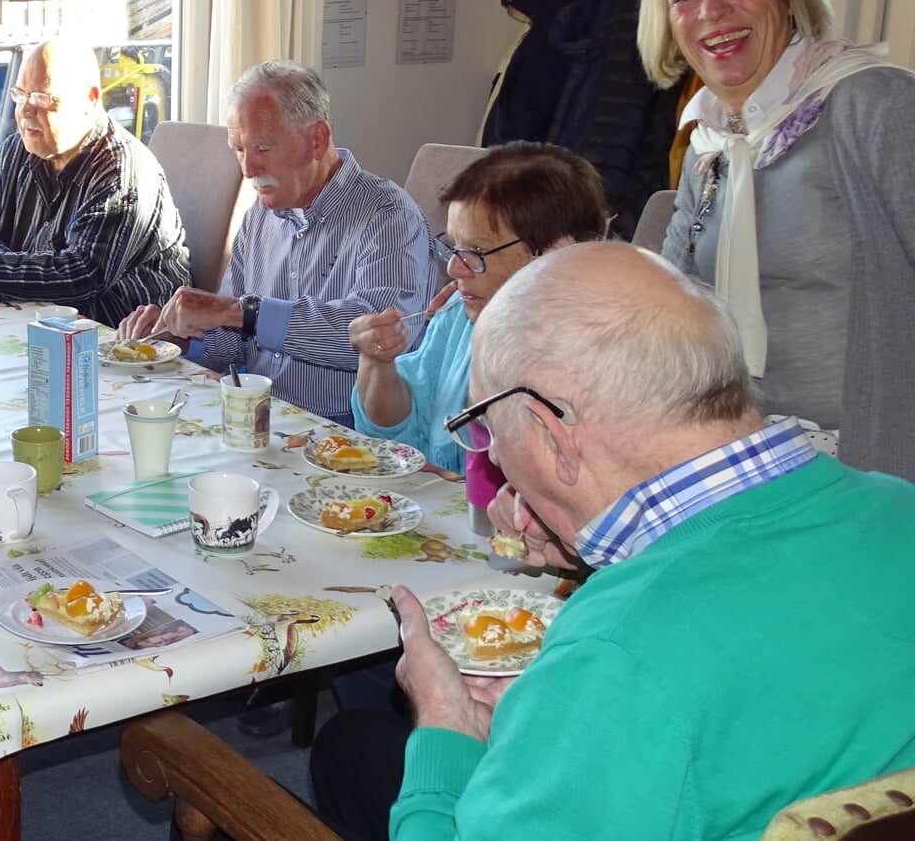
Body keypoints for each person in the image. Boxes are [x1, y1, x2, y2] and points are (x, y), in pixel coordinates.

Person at [309, 242, 915, 841]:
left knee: (350, 751)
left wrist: (446, 726)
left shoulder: (619, 653)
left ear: (551, 431)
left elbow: (658, 658)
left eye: (487, 429)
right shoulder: (897, 503)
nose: (491, 455)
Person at [640, 0, 915, 479]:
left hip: (869, 463)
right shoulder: (709, 140)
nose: (713, 12)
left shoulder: (873, 104)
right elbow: (671, 298)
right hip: (738, 452)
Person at [118, 59, 436, 425]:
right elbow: (236, 341)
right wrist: (183, 336)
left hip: (342, 434)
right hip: (259, 419)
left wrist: (241, 311)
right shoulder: (261, 213)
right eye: (238, 149)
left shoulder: (387, 216)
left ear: (317, 140)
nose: (247, 169)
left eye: (263, 148)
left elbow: (378, 340)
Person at [348, 142, 608, 476]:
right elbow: (403, 431)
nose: (455, 269)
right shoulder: (460, 311)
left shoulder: (594, 357)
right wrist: (377, 363)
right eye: (454, 246)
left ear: (554, 254)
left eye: (477, 251)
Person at [0, 40, 188, 323]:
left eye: (42, 98)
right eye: (20, 95)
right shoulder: (16, 150)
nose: (25, 111)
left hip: (123, 340)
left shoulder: (122, 170)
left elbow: (80, 278)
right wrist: (19, 272)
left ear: (90, 99)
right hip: (29, 320)